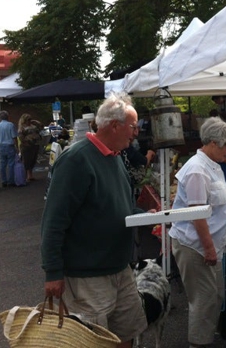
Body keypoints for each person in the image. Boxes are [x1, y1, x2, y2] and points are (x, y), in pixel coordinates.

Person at [41, 92, 155, 348]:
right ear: (114, 125)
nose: (136, 133)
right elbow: (53, 222)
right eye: (133, 126)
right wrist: (53, 272)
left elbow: (119, 208)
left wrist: (148, 217)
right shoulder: (76, 160)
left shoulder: (114, 157)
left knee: (127, 333)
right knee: (93, 342)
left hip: (120, 269)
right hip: (87, 277)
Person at [169, 117, 226, 348]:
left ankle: (204, 336)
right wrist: (209, 247)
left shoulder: (210, 165)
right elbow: (197, 213)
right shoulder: (198, 169)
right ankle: (198, 343)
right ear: (213, 143)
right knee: (204, 299)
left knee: (213, 295)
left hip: (206, 245)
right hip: (196, 245)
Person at [17, 113, 43, 182]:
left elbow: (41, 127)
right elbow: (21, 136)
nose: (29, 121)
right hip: (27, 146)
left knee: (33, 160)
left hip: (35, 145)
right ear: (24, 120)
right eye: (28, 120)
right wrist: (26, 142)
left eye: (30, 119)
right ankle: (24, 177)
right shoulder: (22, 127)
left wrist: (36, 122)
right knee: (26, 161)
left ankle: (30, 175)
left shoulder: (33, 126)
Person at [0, 110, 19, 188]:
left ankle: (4, 181)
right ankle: (11, 181)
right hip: (10, 146)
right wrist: (17, 147)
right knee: (11, 164)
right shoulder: (11, 125)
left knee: (2, 164)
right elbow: (14, 137)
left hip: (1, 146)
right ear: (8, 117)